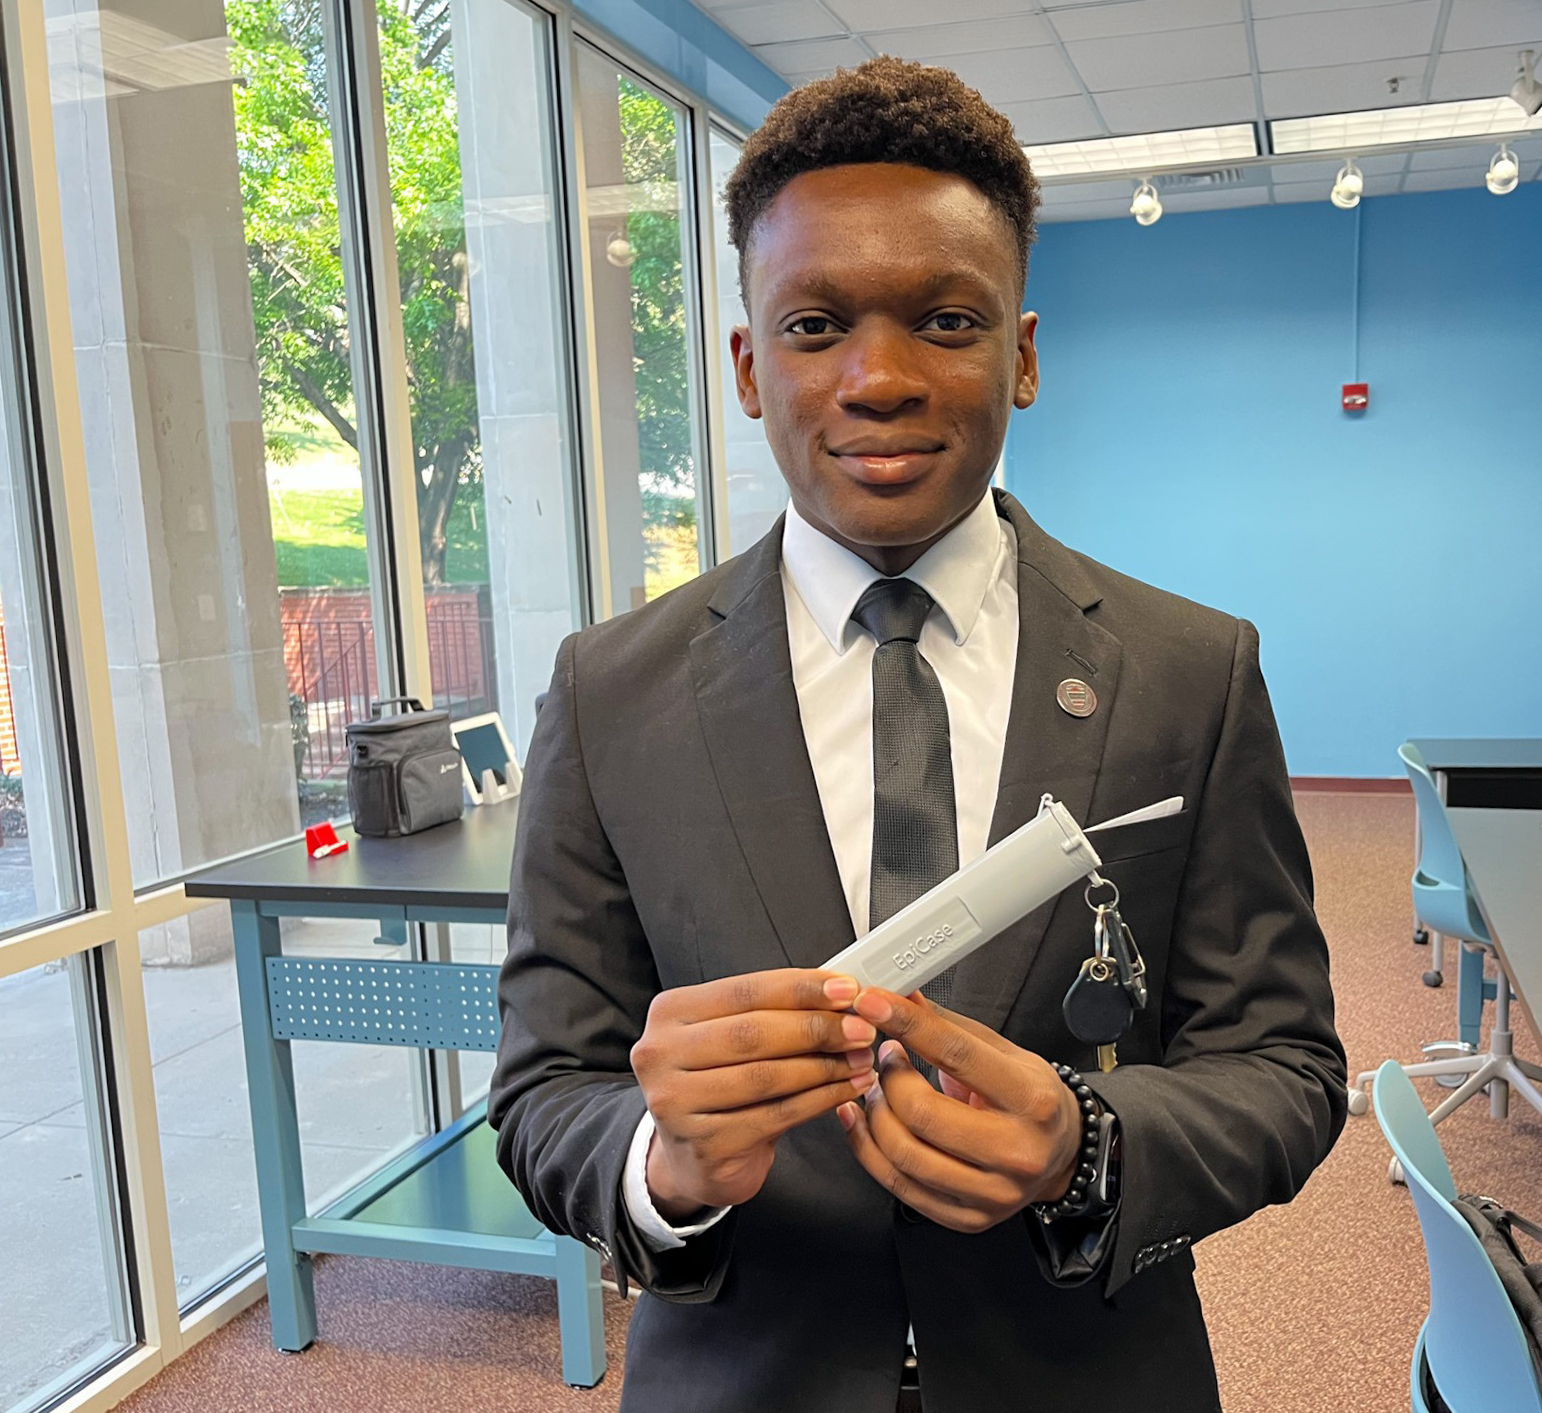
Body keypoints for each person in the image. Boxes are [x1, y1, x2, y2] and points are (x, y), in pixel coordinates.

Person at [490, 57, 1346, 1413]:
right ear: (747, 369)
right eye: (815, 325)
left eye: (944, 321)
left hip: (1085, 1374)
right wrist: (661, 1160)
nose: (878, 378)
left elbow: (1287, 1065)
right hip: (740, 1378)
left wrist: (1088, 1143)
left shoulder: (1191, 673)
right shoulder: (611, 692)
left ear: (1020, 352)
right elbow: (546, 1090)